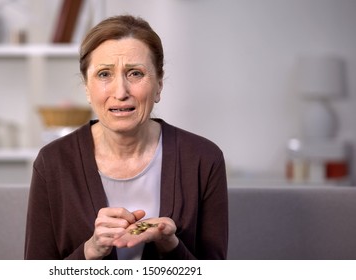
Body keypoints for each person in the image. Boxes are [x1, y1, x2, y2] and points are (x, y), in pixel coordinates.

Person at [24, 15, 228, 260]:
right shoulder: (53, 162)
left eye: (135, 73)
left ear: (159, 84)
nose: (120, 92)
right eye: (104, 74)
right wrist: (90, 251)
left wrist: (170, 244)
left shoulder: (203, 159)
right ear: (87, 88)